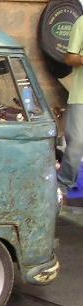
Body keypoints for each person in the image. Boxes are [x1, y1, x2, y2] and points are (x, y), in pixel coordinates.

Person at [58, 15, 83, 197]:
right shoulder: (81, 23)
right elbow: (69, 58)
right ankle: (64, 183)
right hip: (81, 95)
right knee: (77, 141)